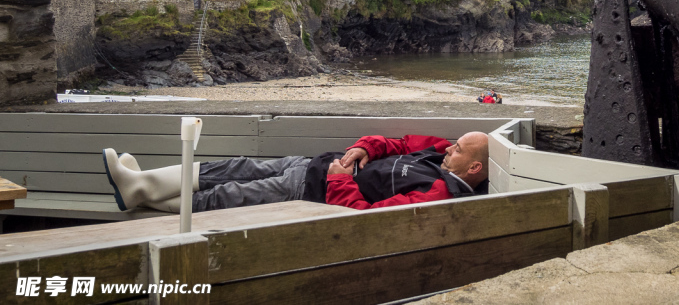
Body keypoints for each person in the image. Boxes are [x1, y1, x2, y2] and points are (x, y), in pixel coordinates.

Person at [101, 131, 488, 213]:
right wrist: (363, 148)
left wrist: (338, 179)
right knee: (233, 167)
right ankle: (143, 184)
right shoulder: (438, 153)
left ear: (473, 167)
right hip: (312, 165)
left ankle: (143, 194)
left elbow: (370, 218)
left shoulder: (437, 193)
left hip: (310, 192)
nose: (447, 148)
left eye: (456, 150)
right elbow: (399, 142)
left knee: (229, 196)